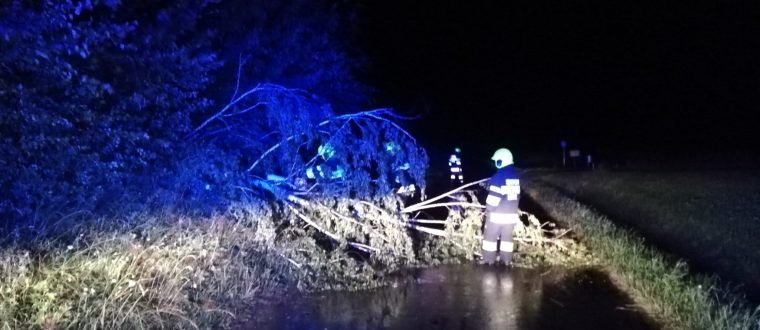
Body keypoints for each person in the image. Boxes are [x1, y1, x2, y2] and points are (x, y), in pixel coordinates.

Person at [481, 148, 521, 266]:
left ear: (501, 161)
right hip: (511, 216)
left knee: (490, 238)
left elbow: (494, 198)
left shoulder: (498, 177)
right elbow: (517, 196)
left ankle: (489, 260)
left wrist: (487, 209)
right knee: (507, 240)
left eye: (497, 161)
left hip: (497, 217)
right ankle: (507, 260)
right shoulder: (516, 177)